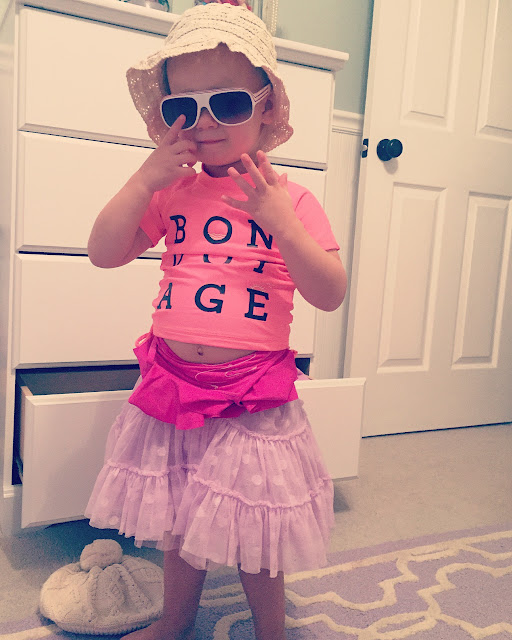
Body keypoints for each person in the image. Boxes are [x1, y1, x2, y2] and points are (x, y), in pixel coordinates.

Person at [85, 3, 347, 639]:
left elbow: (330, 292)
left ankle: (271, 632)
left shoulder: (293, 200)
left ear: (266, 108)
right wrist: (142, 179)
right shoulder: (172, 192)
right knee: (180, 520)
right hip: (174, 385)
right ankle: (175, 621)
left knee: (256, 526)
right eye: (184, 107)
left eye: (226, 104)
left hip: (252, 393)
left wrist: (283, 224)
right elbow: (103, 252)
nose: (203, 122)